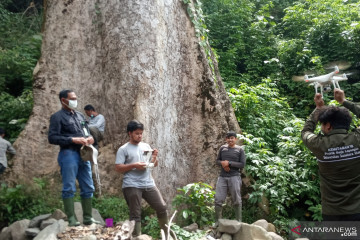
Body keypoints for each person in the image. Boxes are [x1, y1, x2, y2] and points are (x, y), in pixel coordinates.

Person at [301, 89, 360, 221]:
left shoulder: (319, 145)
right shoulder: (357, 139)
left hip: (332, 213)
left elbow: (306, 131)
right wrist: (344, 101)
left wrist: (318, 109)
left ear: (328, 126)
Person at [48, 89, 100, 226]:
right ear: (63, 100)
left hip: (84, 153)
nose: (74, 101)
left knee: (88, 185)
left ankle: (88, 217)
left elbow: (87, 132)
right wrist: (72, 140)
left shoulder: (80, 115)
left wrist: (90, 138)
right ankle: (71, 219)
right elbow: (52, 138)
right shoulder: (57, 117)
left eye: (75, 98)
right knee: (69, 187)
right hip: (68, 154)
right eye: (72, 98)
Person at [115, 120, 170, 237]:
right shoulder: (123, 149)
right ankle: (137, 237)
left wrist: (154, 157)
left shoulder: (146, 146)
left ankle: (166, 235)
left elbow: (152, 164)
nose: (139, 136)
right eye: (137, 133)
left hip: (148, 182)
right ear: (130, 133)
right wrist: (134, 165)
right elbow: (118, 168)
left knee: (162, 207)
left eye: (141, 133)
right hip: (131, 184)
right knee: (135, 214)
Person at [214, 131, 246, 225]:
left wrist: (229, 163)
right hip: (222, 177)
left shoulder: (240, 150)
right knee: (218, 199)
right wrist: (223, 164)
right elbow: (217, 161)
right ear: (226, 139)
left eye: (232, 138)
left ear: (235, 139)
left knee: (236, 199)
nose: (230, 139)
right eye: (228, 138)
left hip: (235, 177)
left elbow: (242, 164)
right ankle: (217, 222)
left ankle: (238, 221)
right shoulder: (222, 148)